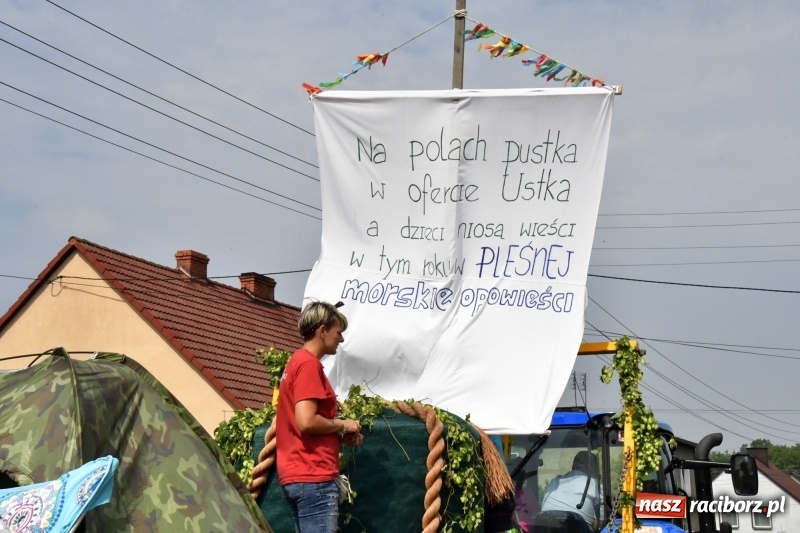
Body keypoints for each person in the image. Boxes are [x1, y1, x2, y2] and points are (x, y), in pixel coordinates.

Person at [276, 300, 364, 533]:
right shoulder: (308, 365)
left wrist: (338, 431)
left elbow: (302, 422)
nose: (341, 339)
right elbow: (306, 421)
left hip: (296, 473)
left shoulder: (295, 362)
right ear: (322, 331)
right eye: (338, 332)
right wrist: (343, 423)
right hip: (313, 474)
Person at [540, 450, 600, 528]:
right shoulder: (595, 485)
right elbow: (601, 521)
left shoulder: (555, 482)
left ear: (573, 466)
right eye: (596, 468)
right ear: (590, 468)